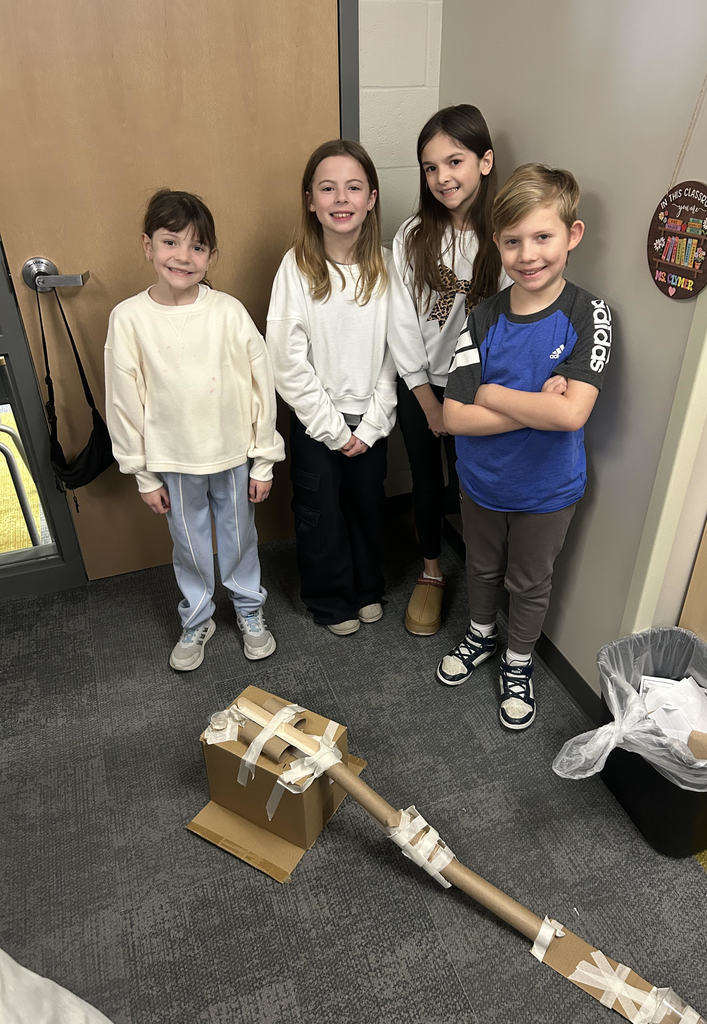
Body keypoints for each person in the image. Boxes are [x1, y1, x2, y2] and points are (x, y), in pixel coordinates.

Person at [437, 163, 613, 730]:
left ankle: (518, 663)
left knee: (529, 580)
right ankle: (481, 636)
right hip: (482, 482)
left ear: (572, 236)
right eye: (513, 241)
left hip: (548, 489)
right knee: (483, 569)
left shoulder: (589, 313)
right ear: (497, 244)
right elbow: (453, 416)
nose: (528, 254)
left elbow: (571, 413)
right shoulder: (483, 316)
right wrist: (531, 405)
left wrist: (494, 394)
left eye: (543, 237)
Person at [105, 189, 285, 671]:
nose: (182, 257)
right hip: (173, 463)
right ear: (147, 245)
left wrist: (264, 458)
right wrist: (142, 474)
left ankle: (249, 610)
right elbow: (123, 401)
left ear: (212, 255)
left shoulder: (228, 312)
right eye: (170, 243)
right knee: (188, 545)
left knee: (239, 537)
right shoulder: (128, 319)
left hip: (231, 456)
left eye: (197, 247)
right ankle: (198, 616)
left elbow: (260, 386)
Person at [266, 140, 395, 636]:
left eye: (353, 187)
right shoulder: (295, 268)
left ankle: (366, 589)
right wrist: (333, 429)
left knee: (366, 507)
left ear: (372, 198)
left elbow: (396, 352)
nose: (341, 199)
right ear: (310, 201)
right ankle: (330, 600)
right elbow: (286, 359)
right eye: (328, 188)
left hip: (374, 421)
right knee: (319, 515)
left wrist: (378, 419)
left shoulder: (388, 268)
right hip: (317, 422)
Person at [388, 104, 504, 637]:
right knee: (426, 478)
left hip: (481, 388)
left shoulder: (507, 235)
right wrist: (427, 398)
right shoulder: (412, 235)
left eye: (453, 162)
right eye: (430, 167)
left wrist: (470, 398)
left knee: (474, 482)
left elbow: (510, 322)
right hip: (422, 385)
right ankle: (432, 572)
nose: (442, 177)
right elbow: (402, 324)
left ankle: (484, 581)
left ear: (485, 161)